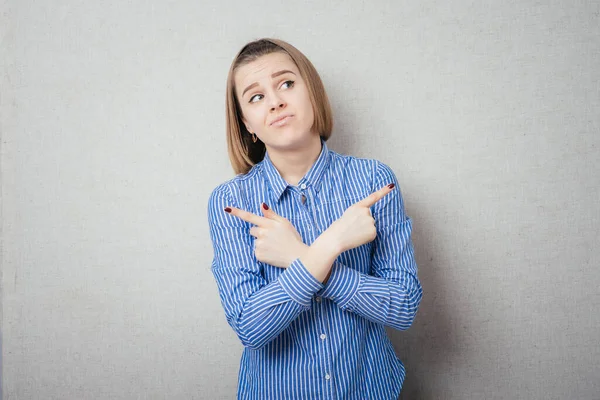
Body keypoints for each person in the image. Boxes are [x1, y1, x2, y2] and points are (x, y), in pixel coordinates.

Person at [208, 38, 423, 400]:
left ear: (312, 92)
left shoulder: (373, 181)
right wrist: (329, 246)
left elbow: (403, 307)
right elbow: (249, 326)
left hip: (370, 388)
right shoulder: (231, 202)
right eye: (255, 96)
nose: (275, 101)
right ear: (247, 123)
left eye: (286, 84)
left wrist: (299, 257)